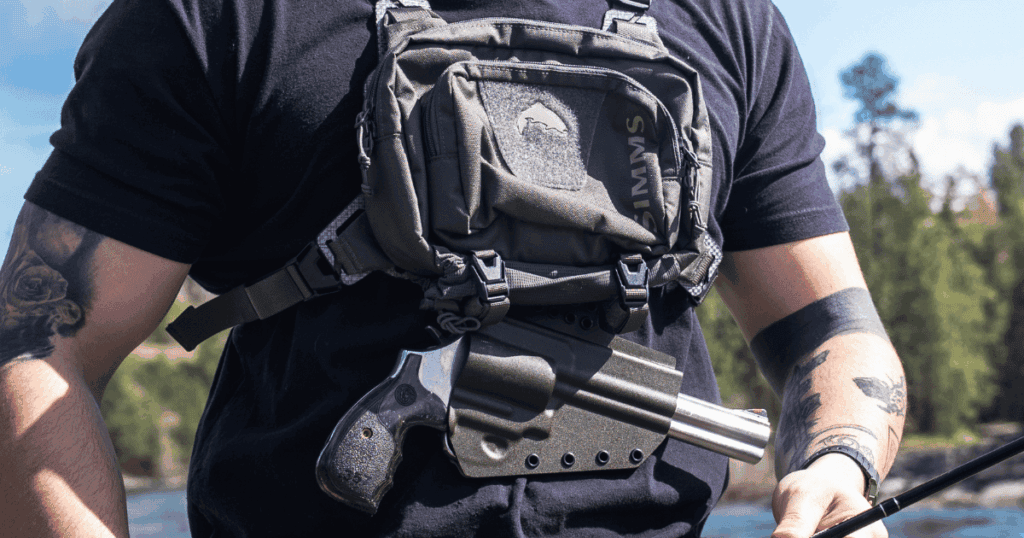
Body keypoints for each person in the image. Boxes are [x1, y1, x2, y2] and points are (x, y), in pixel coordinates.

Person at [0, 0, 906, 536]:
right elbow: (35, 347)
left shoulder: (722, 20)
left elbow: (829, 329)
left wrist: (842, 459)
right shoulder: (217, 17)